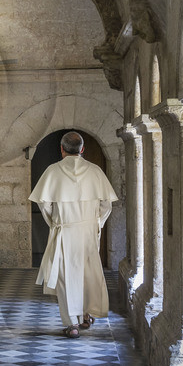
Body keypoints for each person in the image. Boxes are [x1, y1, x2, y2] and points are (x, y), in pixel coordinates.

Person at [31, 131, 118, 337]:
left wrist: (55, 222)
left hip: (64, 231)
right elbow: (106, 205)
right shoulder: (95, 171)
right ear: (82, 149)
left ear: (61, 150)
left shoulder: (53, 171)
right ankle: (87, 314)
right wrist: (96, 223)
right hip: (88, 232)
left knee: (65, 277)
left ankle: (72, 325)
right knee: (88, 274)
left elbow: (44, 203)